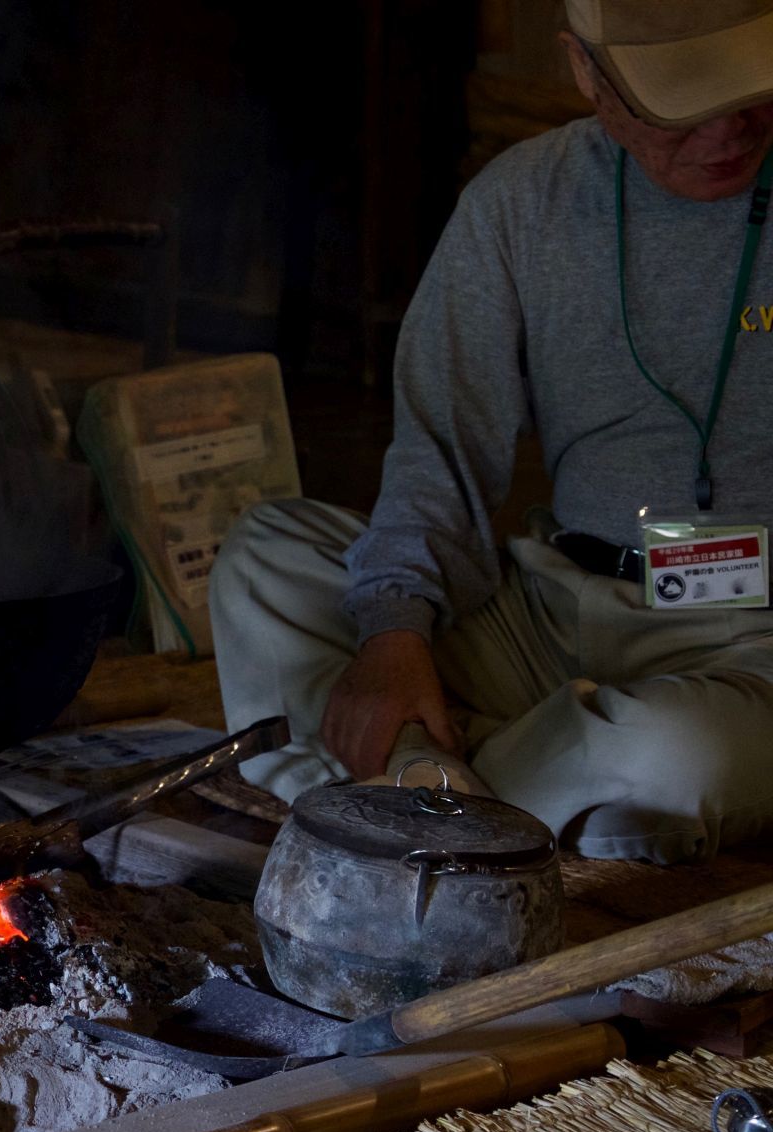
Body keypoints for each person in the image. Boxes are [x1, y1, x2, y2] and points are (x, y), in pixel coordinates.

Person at [212, 0, 773, 863]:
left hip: (749, 641)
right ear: (587, 72)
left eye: (750, 80)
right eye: (684, 98)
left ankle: (413, 793)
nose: (732, 123)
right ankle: (509, 793)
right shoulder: (520, 202)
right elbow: (440, 452)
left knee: (674, 752)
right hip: (549, 610)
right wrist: (395, 632)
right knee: (265, 556)